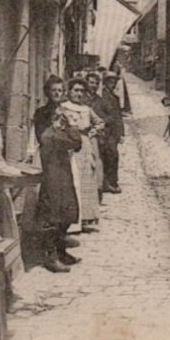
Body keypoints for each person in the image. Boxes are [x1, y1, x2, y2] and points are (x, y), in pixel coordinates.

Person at [27, 110, 83, 274]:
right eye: (58, 119)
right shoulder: (50, 135)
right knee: (53, 217)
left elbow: (75, 144)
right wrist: (72, 125)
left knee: (65, 215)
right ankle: (50, 257)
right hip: (53, 180)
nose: (61, 122)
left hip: (62, 177)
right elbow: (76, 142)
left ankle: (60, 252)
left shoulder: (55, 134)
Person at [59, 78, 105, 228]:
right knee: (72, 179)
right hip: (69, 145)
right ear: (69, 91)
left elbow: (100, 122)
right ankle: (70, 218)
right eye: (75, 90)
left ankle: (85, 217)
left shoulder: (86, 109)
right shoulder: (62, 108)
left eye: (81, 91)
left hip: (84, 146)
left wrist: (90, 133)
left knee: (86, 179)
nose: (78, 94)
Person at [99, 72, 125, 193]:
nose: (112, 84)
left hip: (113, 132)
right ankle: (107, 182)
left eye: (114, 82)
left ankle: (112, 181)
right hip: (106, 130)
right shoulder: (102, 96)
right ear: (105, 82)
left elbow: (119, 116)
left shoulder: (114, 97)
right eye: (110, 81)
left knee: (113, 156)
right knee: (109, 155)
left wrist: (121, 133)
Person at [34, 75, 66, 145]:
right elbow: (41, 138)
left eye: (60, 90)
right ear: (48, 92)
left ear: (63, 93)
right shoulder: (41, 112)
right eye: (54, 90)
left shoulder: (66, 112)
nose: (57, 93)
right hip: (47, 152)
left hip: (63, 153)